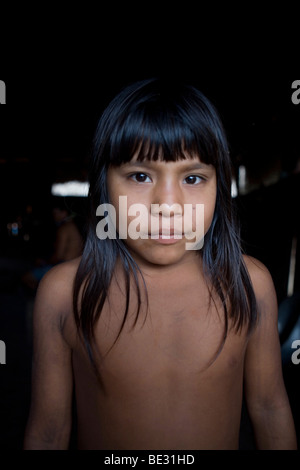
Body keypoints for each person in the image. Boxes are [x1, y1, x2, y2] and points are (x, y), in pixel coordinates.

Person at [23, 78, 297, 450]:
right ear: (104, 183)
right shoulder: (65, 293)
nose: (167, 205)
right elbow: (49, 431)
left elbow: (268, 407)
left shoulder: (249, 282)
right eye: (140, 175)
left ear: (220, 186)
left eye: (193, 177)